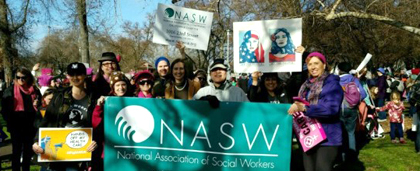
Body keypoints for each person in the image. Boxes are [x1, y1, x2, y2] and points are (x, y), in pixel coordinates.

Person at [32, 62, 97, 171]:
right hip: (57, 149)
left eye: (79, 74)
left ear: (85, 75)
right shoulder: (60, 97)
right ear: (68, 76)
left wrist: (95, 141)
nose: (75, 77)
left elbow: (97, 125)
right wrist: (36, 141)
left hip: (79, 152)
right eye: (72, 74)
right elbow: (47, 119)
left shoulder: (93, 99)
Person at [287, 52, 343, 171]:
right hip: (309, 136)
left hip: (328, 138)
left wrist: (305, 108)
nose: (313, 67)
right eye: (310, 64)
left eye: (316, 63)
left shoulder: (332, 84)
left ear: (324, 65)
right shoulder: (305, 85)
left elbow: (331, 109)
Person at [1, 67, 41, 171]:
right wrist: (10, 122)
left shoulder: (34, 90)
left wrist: (38, 104)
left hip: (31, 125)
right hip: (16, 125)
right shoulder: (10, 91)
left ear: (28, 78)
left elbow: (41, 105)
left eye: (23, 77)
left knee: (28, 152)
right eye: (18, 77)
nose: (21, 80)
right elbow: (4, 109)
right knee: (16, 152)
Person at [92, 71, 132, 171]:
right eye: (117, 85)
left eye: (123, 84)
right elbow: (95, 122)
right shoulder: (107, 102)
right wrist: (99, 107)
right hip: (110, 148)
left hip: (129, 149)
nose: (121, 88)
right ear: (113, 88)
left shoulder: (133, 100)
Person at [337, 62, 367, 162]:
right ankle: (353, 156)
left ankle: (343, 156)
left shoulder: (336, 80)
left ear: (339, 69)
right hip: (352, 108)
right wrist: (355, 101)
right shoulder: (354, 80)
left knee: (341, 133)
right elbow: (363, 94)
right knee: (351, 133)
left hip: (339, 109)